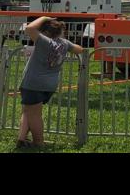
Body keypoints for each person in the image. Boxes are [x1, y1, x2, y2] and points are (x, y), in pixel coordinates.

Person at [17, 17, 92, 150]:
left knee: (34, 114)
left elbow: (29, 28)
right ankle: (21, 139)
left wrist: (44, 17)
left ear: (45, 32)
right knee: (28, 111)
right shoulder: (64, 43)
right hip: (50, 84)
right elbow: (80, 49)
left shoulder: (44, 41)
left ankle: (38, 142)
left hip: (33, 83)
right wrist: (65, 43)